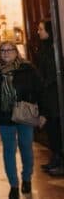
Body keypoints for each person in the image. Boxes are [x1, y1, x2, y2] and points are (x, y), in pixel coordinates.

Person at [0, 41, 46, 199]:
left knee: (26, 147)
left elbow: (40, 91)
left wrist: (43, 113)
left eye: (9, 50)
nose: (6, 53)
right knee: (9, 150)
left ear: (16, 52)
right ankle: (13, 184)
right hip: (4, 115)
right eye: (3, 51)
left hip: (24, 114)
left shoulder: (28, 69)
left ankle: (26, 178)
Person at [36, 19, 64, 175]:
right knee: (51, 130)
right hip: (47, 95)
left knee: (57, 128)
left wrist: (43, 85)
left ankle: (59, 160)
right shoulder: (44, 48)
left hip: (54, 95)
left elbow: (53, 74)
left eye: (41, 29)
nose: (38, 32)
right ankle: (55, 158)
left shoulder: (55, 47)